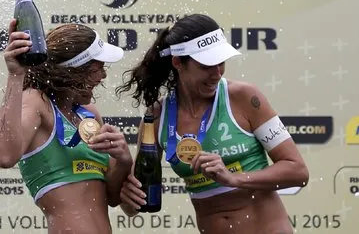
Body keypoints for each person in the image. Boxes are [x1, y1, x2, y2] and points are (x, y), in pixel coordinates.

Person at [117, 14, 309, 234]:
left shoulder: (244, 97)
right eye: (207, 65)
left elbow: (298, 171)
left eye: (221, 62)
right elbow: (132, 208)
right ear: (178, 62)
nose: (217, 73)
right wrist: (129, 195)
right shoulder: (157, 117)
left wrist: (234, 178)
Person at [0, 20, 133, 234]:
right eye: (98, 68)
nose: (103, 76)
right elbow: (3, 157)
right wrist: (15, 75)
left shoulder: (89, 115)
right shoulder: (37, 102)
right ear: (74, 70)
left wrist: (123, 161)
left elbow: (112, 198)